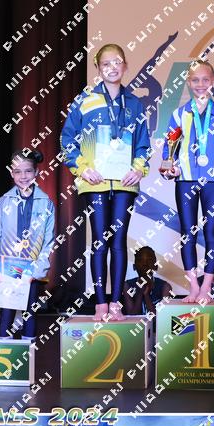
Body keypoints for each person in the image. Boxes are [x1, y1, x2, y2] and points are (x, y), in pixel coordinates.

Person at [61, 44, 151, 321]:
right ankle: (100, 303)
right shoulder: (85, 101)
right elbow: (67, 140)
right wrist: (82, 168)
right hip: (96, 182)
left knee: (119, 241)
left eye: (118, 62)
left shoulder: (134, 103)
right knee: (100, 240)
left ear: (125, 66)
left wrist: (138, 170)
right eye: (106, 64)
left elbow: (143, 145)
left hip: (124, 182)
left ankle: (115, 303)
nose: (113, 68)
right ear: (98, 68)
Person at [162, 59, 214, 304]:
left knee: (212, 233)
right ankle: (193, 286)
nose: (200, 84)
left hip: (213, 181)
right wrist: (168, 166)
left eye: (205, 79)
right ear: (188, 82)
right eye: (195, 80)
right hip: (185, 180)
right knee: (187, 233)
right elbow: (169, 147)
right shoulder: (179, 114)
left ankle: (206, 286)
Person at [0, 149, 55, 340]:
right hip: (6, 269)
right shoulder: (4, 201)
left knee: (30, 313)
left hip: (31, 270)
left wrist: (37, 271)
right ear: (11, 173)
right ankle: (3, 349)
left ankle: (29, 353)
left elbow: (48, 241)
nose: (23, 176)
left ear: (36, 172)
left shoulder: (46, 203)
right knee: (6, 314)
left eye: (28, 171)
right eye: (18, 172)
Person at [122, 246, 172, 315]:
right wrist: (140, 293)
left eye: (149, 260)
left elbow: (161, 317)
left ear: (156, 266)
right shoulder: (127, 286)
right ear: (134, 266)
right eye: (140, 260)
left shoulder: (165, 287)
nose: (145, 264)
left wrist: (146, 295)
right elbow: (132, 316)